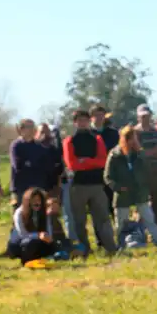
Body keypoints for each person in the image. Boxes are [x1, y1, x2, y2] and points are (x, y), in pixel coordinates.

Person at [105, 126, 157, 251]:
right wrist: (118, 187)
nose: (133, 141)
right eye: (130, 139)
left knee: (149, 219)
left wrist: (145, 186)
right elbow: (107, 176)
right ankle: (121, 246)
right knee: (121, 222)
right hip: (122, 193)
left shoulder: (140, 154)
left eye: (134, 138)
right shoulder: (115, 155)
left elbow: (147, 171)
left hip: (140, 192)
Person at [63, 110, 118, 256]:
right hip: (78, 186)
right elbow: (72, 164)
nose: (83, 123)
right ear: (75, 122)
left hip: (97, 184)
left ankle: (111, 248)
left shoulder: (97, 139)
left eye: (85, 120)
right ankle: (84, 249)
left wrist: (85, 161)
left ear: (89, 122)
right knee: (79, 221)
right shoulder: (69, 141)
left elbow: (102, 161)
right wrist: (90, 162)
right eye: (79, 120)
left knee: (103, 218)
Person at [134, 104, 157, 235]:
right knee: (141, 203)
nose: (145, 118)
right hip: (139, 173)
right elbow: (135, 153)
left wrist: (146, 152)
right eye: (142, 116)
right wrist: (154, 151)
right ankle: (140, 232)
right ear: (138, 116)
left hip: (156, 172)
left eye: (147, 116)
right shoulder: (134, 133)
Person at [7, 187, 64, 264]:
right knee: (29, 243)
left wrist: (49, 239)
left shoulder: (44, 213)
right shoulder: (19, 213)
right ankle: (27, 260)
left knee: (56, 245)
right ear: (27, 201)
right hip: (19, 244)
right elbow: (23, 235)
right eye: (34, 200)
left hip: (37, 241)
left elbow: (48, 231)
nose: (37, 203)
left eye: (39, 200)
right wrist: (38, 235)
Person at [10, 119, 54, 208]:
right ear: (22, 129)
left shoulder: (39, 146)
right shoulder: (16, 145)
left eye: (33, 127)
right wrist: (35, 164)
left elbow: (46, 165)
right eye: (29, 127)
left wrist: (30, 163)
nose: (32, 129)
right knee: (22, 216)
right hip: (22, 188)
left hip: (39, 187)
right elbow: (18, 165)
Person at [90, 104, 120, 217]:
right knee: (98, 207)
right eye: (96, 115)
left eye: (102, 115)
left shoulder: (112, 133)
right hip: (94, 173)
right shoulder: (88, 134)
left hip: (111, 172)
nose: (99, 118)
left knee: (113, 203)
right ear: (91, 117)